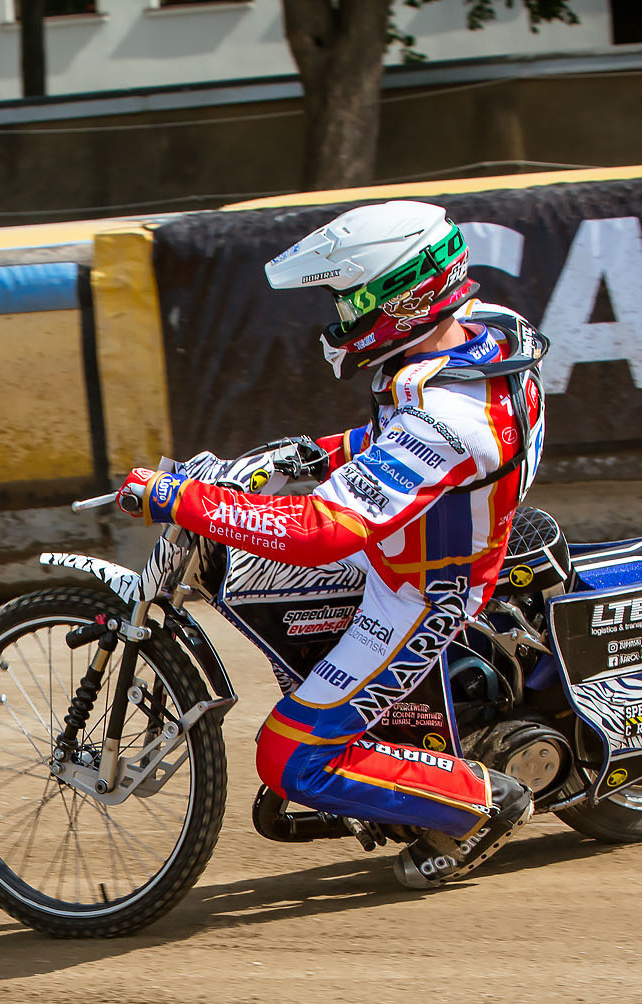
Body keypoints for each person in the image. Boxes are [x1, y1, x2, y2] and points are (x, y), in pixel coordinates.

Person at [111, 200, 549, 889]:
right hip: (415, 537)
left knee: (288, 759)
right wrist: (313, 455)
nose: (340, 317)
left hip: (421, 591)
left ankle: (484, 802)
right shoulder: (479, 334)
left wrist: (180, 498)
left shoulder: (448, 415)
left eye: (351, 299)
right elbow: (398, 447)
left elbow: (320, 532)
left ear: (400, 297)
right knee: (254, 572)